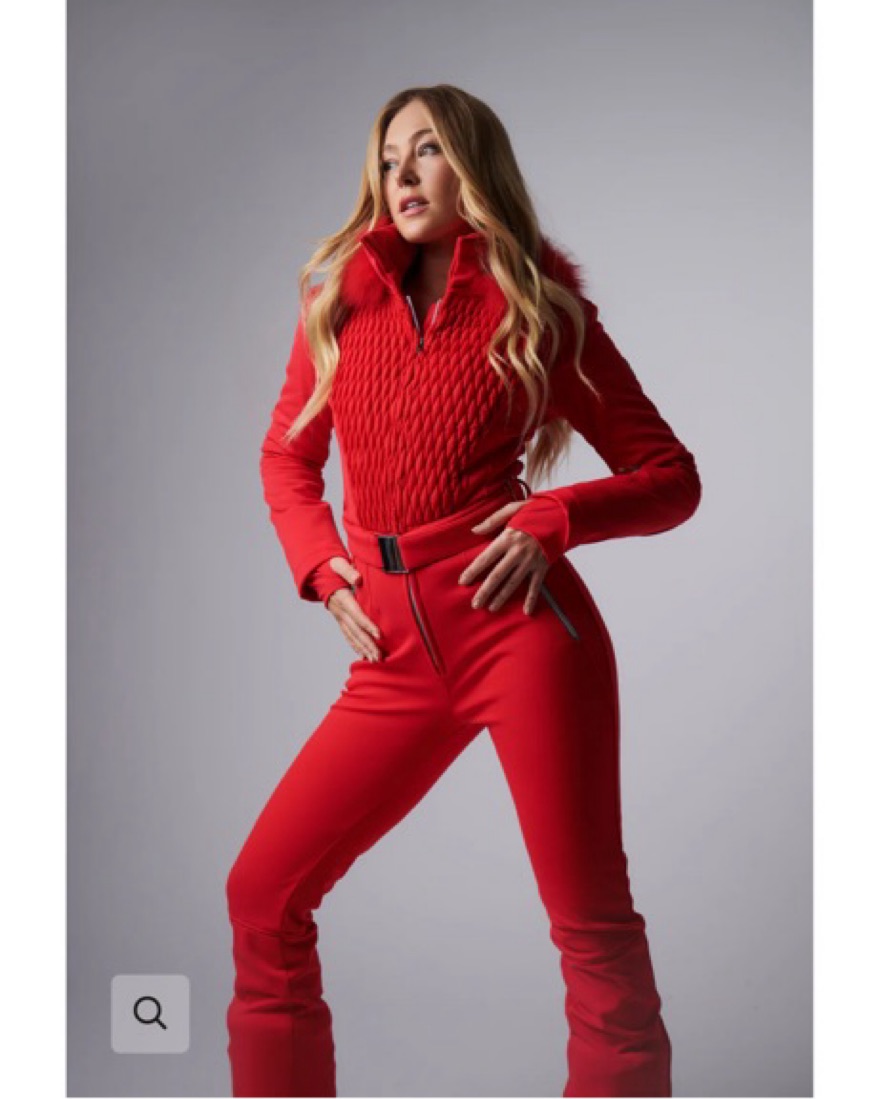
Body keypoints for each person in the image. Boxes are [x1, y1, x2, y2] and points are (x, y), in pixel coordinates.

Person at [225, 83, 702, 1098]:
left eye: (428, 150)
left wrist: (552, 516)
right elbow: (285, 457)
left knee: (589, 923)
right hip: (392, 651)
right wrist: (321, 565)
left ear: (473, 165)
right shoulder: (338, 304)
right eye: (387, 156)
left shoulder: (540, 310)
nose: (401, 174)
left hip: (521, 634)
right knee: (262, 894)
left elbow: (670, 477)